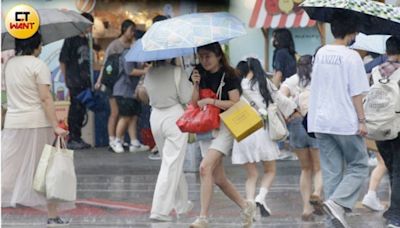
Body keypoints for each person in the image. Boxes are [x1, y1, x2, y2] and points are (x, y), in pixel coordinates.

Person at [2, 32, 72, 227]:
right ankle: (52, 217)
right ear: (36, 45)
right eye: (41, 44)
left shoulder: (9, 65)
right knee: (49, 170)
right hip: (37, 123)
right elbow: (45, 98)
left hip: (13, 123)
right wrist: (56, 126)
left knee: (7, 169)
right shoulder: (38, 65)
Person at [307, 12, 369, 228]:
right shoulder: (352, 57)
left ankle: (333, 221)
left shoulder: (321, 53)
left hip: (321, 121)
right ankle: (338, 203)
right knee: (359, 165)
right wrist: (362, 121)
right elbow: (357, 93)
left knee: (332, 171)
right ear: (352, 33)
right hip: (344, 120)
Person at [189, 42, 256, 228]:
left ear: (219, 55)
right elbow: (194, 104)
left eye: (208, 56)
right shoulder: (198, 72)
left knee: (204, 168)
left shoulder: (229, 75)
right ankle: (246, 206)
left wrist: (211, 100)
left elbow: (235, 103)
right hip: (206, 127)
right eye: (201, 56)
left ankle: (202, 218)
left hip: (225, 127)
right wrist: (195, 84)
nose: (204, 60)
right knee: (218, 178)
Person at [232, 58, 296, 218]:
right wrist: (296, 109)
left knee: (251, 175)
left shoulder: (237, 85)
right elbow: (281, 100)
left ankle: (250, 208)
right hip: (261, 131)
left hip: (243, 132)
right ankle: (260, 198)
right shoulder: (264, 83)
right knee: (270, 170)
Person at [144, 57, 194, 221]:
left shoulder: (149, 73)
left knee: (171, 161)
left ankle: (182, 205)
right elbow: (187, 98)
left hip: (156, 117)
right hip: (174, 117)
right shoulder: (177, 72)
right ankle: (159, 209)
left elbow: (146, 94)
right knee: (171, 163)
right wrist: (192, 82)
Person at [280, 55, 323, 221]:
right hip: (316, 122)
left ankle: (306, 209)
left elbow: (280, 96)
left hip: (297, 123)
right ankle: (317, 192)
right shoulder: (318, 78)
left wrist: (292, 109)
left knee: (305, 168)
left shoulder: (292, 80)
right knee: (318, 167)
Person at [371, 36, 400, 227]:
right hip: (397, 126)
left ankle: (393, 210)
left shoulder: (375, 70)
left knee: (392, 169)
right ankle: (396, 214)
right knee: (399, 172)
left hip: (379, 128)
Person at [94, 19, 136, 150]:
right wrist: (99, 80)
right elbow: (105, 64)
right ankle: (112, 139)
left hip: (125, 84)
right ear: (124, 30)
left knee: (125, 113)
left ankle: (121, 139)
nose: (132, 33)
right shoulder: (114, 45)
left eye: (134, 31)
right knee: (115, 112)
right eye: (131, 30)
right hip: (112, 82)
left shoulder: (132, 45)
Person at [59, 12, 94, 150]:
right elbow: (63, 60)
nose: (90, 28)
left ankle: (78, 137)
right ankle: (72, 138)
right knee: (75, 109)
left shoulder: (86, 40)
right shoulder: (71, 39)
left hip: (85, 82)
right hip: (74, 81)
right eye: (88, 24)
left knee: (81, 111)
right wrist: (66, 79)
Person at [111, 48, 150, 153]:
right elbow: (130, 71)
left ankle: (134, 142)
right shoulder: (128, 54)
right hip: (123, 91)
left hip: (131, 92)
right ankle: (117, 141)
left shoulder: (135, 54)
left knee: (133, 116)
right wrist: (145, 71)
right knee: (125, 117)